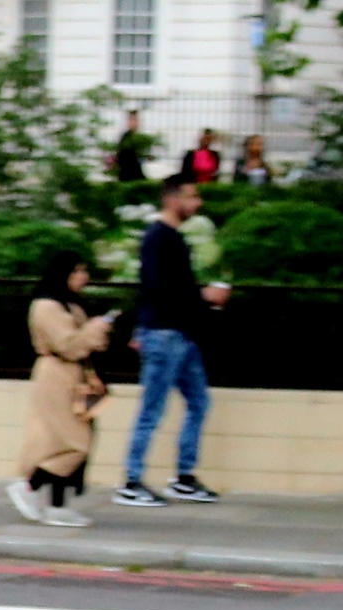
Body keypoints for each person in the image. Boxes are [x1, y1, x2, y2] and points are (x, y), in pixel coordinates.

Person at [119, 172, 229, 506]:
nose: (197, 203)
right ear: (172, 199)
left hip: (181, 335)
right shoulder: (158, 238)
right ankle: (132, 481)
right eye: (191, 197)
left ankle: (184, 477)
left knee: (199, 403)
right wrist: (205, 295)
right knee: (152, 411)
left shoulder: (173, 238)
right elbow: (156, 287)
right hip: (165, 335)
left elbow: (160, 288)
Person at [6, 252, 116, 528]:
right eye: (78, 270)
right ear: (63, 273)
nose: (84, 276)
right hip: (57, 375)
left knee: (68, 439)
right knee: (73, 442)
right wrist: (95, 329)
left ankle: (57, 505)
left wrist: (98, 331)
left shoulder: (69, 304)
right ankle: (29, 486)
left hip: (77, 375)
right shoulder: (46, 306)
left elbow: (85, 343)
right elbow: (68, 345)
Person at [111, 111, 150, 182]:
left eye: (135, 120)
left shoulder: (140, 138)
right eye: (131, 120)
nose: (132, 123)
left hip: (136, 169)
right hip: (125, 169)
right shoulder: (125, 137)